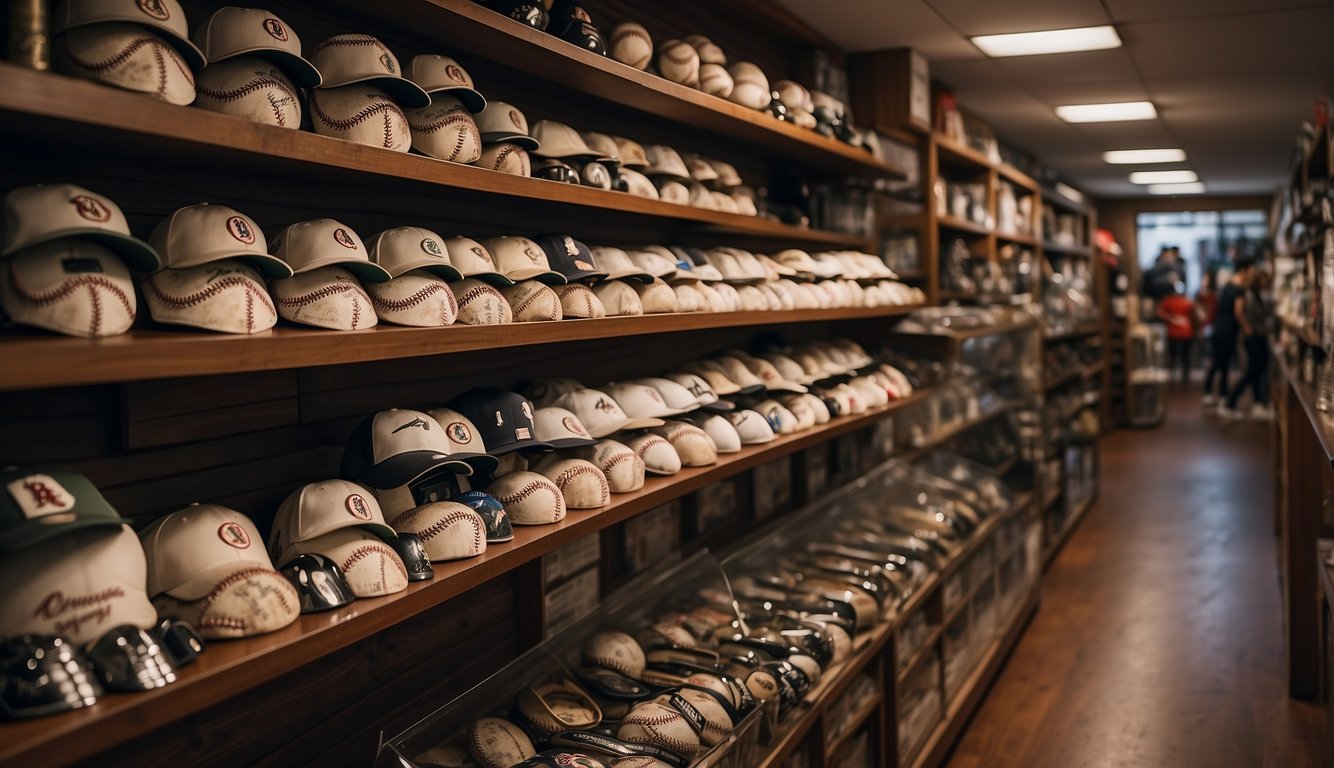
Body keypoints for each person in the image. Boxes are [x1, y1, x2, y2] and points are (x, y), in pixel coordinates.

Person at [1222, 267, 1273, 419]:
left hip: (1258, 335)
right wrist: (1247, 328)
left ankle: (1258, 403)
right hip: (1253, 336)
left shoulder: (1255, 295)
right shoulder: (1249, 295)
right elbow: (1241, 312)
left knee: (1257, 371)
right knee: (1253, 371)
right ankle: (1231, 401)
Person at [1203, 258, 1254, 407]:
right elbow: (1238, 312)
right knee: (1221, 362)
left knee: (1220, 362)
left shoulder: (1228, 285)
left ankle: (1216, 393)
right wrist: (1246, 327)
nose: (1252, 273)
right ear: (1244, 270)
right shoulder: (1238, 289)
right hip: (1227, 330)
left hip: (1220, 328)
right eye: (1250, 270)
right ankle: (1217, 394)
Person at [1156, 282, 1195, 384]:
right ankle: (1179, 375)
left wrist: (1169, 318)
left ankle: (1179, 375)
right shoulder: (1178, 301)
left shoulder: (1182, 301)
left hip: (1181, 332)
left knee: (1177, 355)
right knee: (1181, 356)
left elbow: (1159, 312)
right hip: (1179, 332)